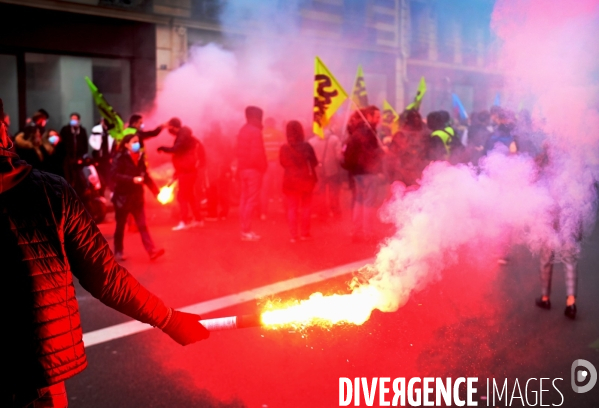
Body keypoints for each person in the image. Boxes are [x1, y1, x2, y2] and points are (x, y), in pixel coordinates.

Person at [0, 98, 209, 407]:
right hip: (37, 376)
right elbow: (105, 276)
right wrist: (168, 319)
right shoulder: (50, 191)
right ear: (3, 130)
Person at [112, 134, 165, 261]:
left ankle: (152, 251)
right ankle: (118, 251)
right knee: (120, 226)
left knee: (142, 224)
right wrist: (132, 180)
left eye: (138, 142)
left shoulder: (140, 158)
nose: (137, 144)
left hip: (137, 198)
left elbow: (145, 176)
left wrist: (156, 192)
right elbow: (115, 175)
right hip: (122, 198)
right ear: (126, 145)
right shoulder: (120, 158)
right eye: (134, 142)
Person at [342, 105, 384, 242]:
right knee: (368, 203)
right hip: (368, 172)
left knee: (359, 201)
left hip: (356, 173)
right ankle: (368, 233)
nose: (379, 119)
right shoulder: (368, 133)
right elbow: (370, 153)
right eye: (377, 116)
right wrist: (382, 151)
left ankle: (357, 231)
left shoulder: (355, 132)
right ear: (369, 117)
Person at [158, 118, 205, 231]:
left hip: (187, 171)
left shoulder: (182, 136)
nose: (169, 131)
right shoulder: (186, 135)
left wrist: (163, 148)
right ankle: (198, 219)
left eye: (170, 128)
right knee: (189, 196)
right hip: (188, 170)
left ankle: (183, 221)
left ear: (174, 127)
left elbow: (176, 150)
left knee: (182, 197)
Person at [280, 121, 318, 242]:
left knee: (292, 208)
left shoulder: (284, 148)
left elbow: (283, 163)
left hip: (290, 180)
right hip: (306, 179)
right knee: (306, 206)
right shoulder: (306, 146)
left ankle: (293, 235)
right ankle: (304, 233)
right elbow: (314, 162)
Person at [236, 106, 268, 241]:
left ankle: (244, 229)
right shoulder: (255, 132)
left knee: (244, 199)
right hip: (253, 170)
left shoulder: (242, 130)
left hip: (243, 168)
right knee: (251, 200)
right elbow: (257, 153)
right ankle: (247, 230)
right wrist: (262, 167)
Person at [308, 120, 343, 220]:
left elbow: (310, 158)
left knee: (320, 192)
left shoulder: (312, 141)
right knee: (334, 192)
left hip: (318, 170)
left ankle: (322, 213)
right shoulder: (334, 139)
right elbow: (338, 156)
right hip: (333, 169)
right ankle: (335, 212)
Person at [387, 109, 430, 188]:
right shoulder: (401, 134)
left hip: (418, 171)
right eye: (414, 118)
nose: (416, 120)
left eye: (417, 118)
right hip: (405, 172)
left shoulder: (426, 135)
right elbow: (392, 156)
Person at [203, 122, 233, 221]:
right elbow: (230, 154)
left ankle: (213, 213)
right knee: (224, 191)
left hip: (213, 169)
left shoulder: (209, 139)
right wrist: (227, 166)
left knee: (212, 191)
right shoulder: (225, 139)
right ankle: (224, 213)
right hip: (223, 168)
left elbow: (205, 154)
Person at [260, 117, 285, 220]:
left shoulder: (261, 134)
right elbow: (284, 149)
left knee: (264, 189)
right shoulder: (279, 134)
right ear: (274, 124)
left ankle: (263, 213)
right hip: (277, 164)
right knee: (281, 187)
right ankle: (284, 209)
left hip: (265, 165)